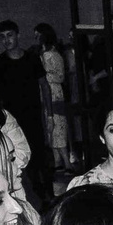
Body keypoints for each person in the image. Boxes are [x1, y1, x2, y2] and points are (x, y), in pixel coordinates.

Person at [0, 20, 53, 197]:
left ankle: (46, 193)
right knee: (18, 156)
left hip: (33, 116)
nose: (6, 40)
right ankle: (31, 193)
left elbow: (45, 86)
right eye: (2, 37)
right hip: (11, 119)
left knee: (40, 155)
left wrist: (49, 116)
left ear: (18, 35)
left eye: (9, 35)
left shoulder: (31, 59)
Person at [35, 22, 70, 164]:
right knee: (52, 128)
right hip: (46, 93)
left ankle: (66, 160)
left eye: (38, 35)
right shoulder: (43, 54)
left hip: (54, 92)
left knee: (58, 127)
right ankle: (58, 160)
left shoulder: (52, 54)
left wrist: (44, 76)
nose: (36, 38)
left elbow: (60, 76)